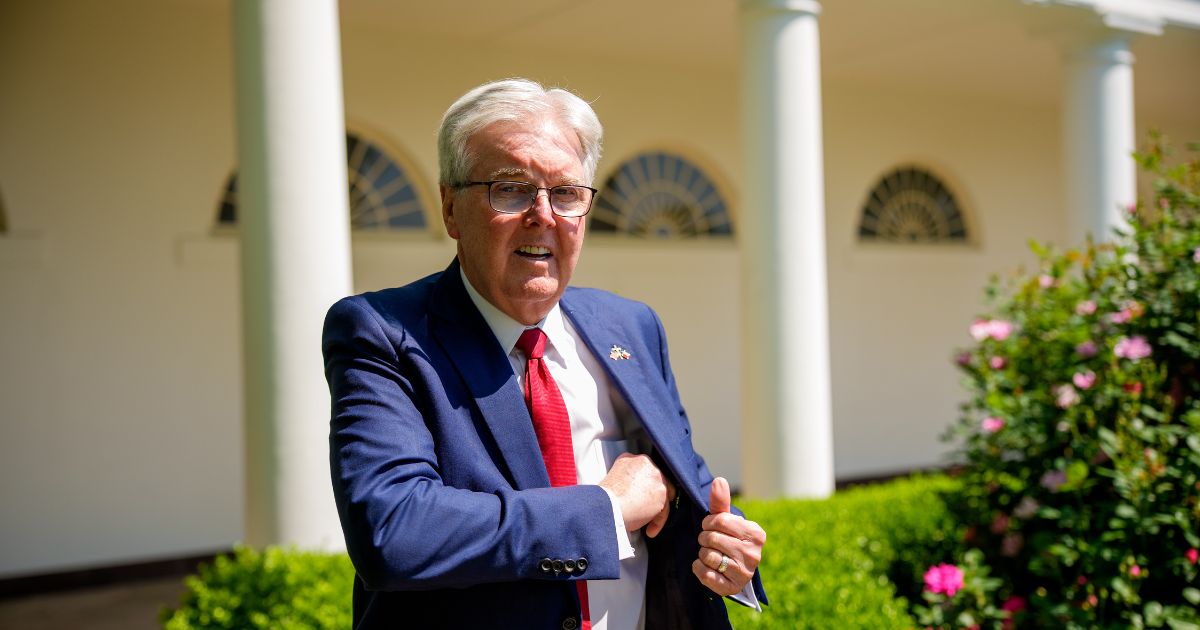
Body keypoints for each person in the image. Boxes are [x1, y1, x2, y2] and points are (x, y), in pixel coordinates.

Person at [323, 78, 766, 630]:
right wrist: (605, 510)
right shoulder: (383, 332)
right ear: (450, 208)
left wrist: (725, 545)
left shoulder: (631, 325)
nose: (543, 214)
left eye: (565, 192)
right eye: (509, 189)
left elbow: (685, 487)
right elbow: (395, 531)